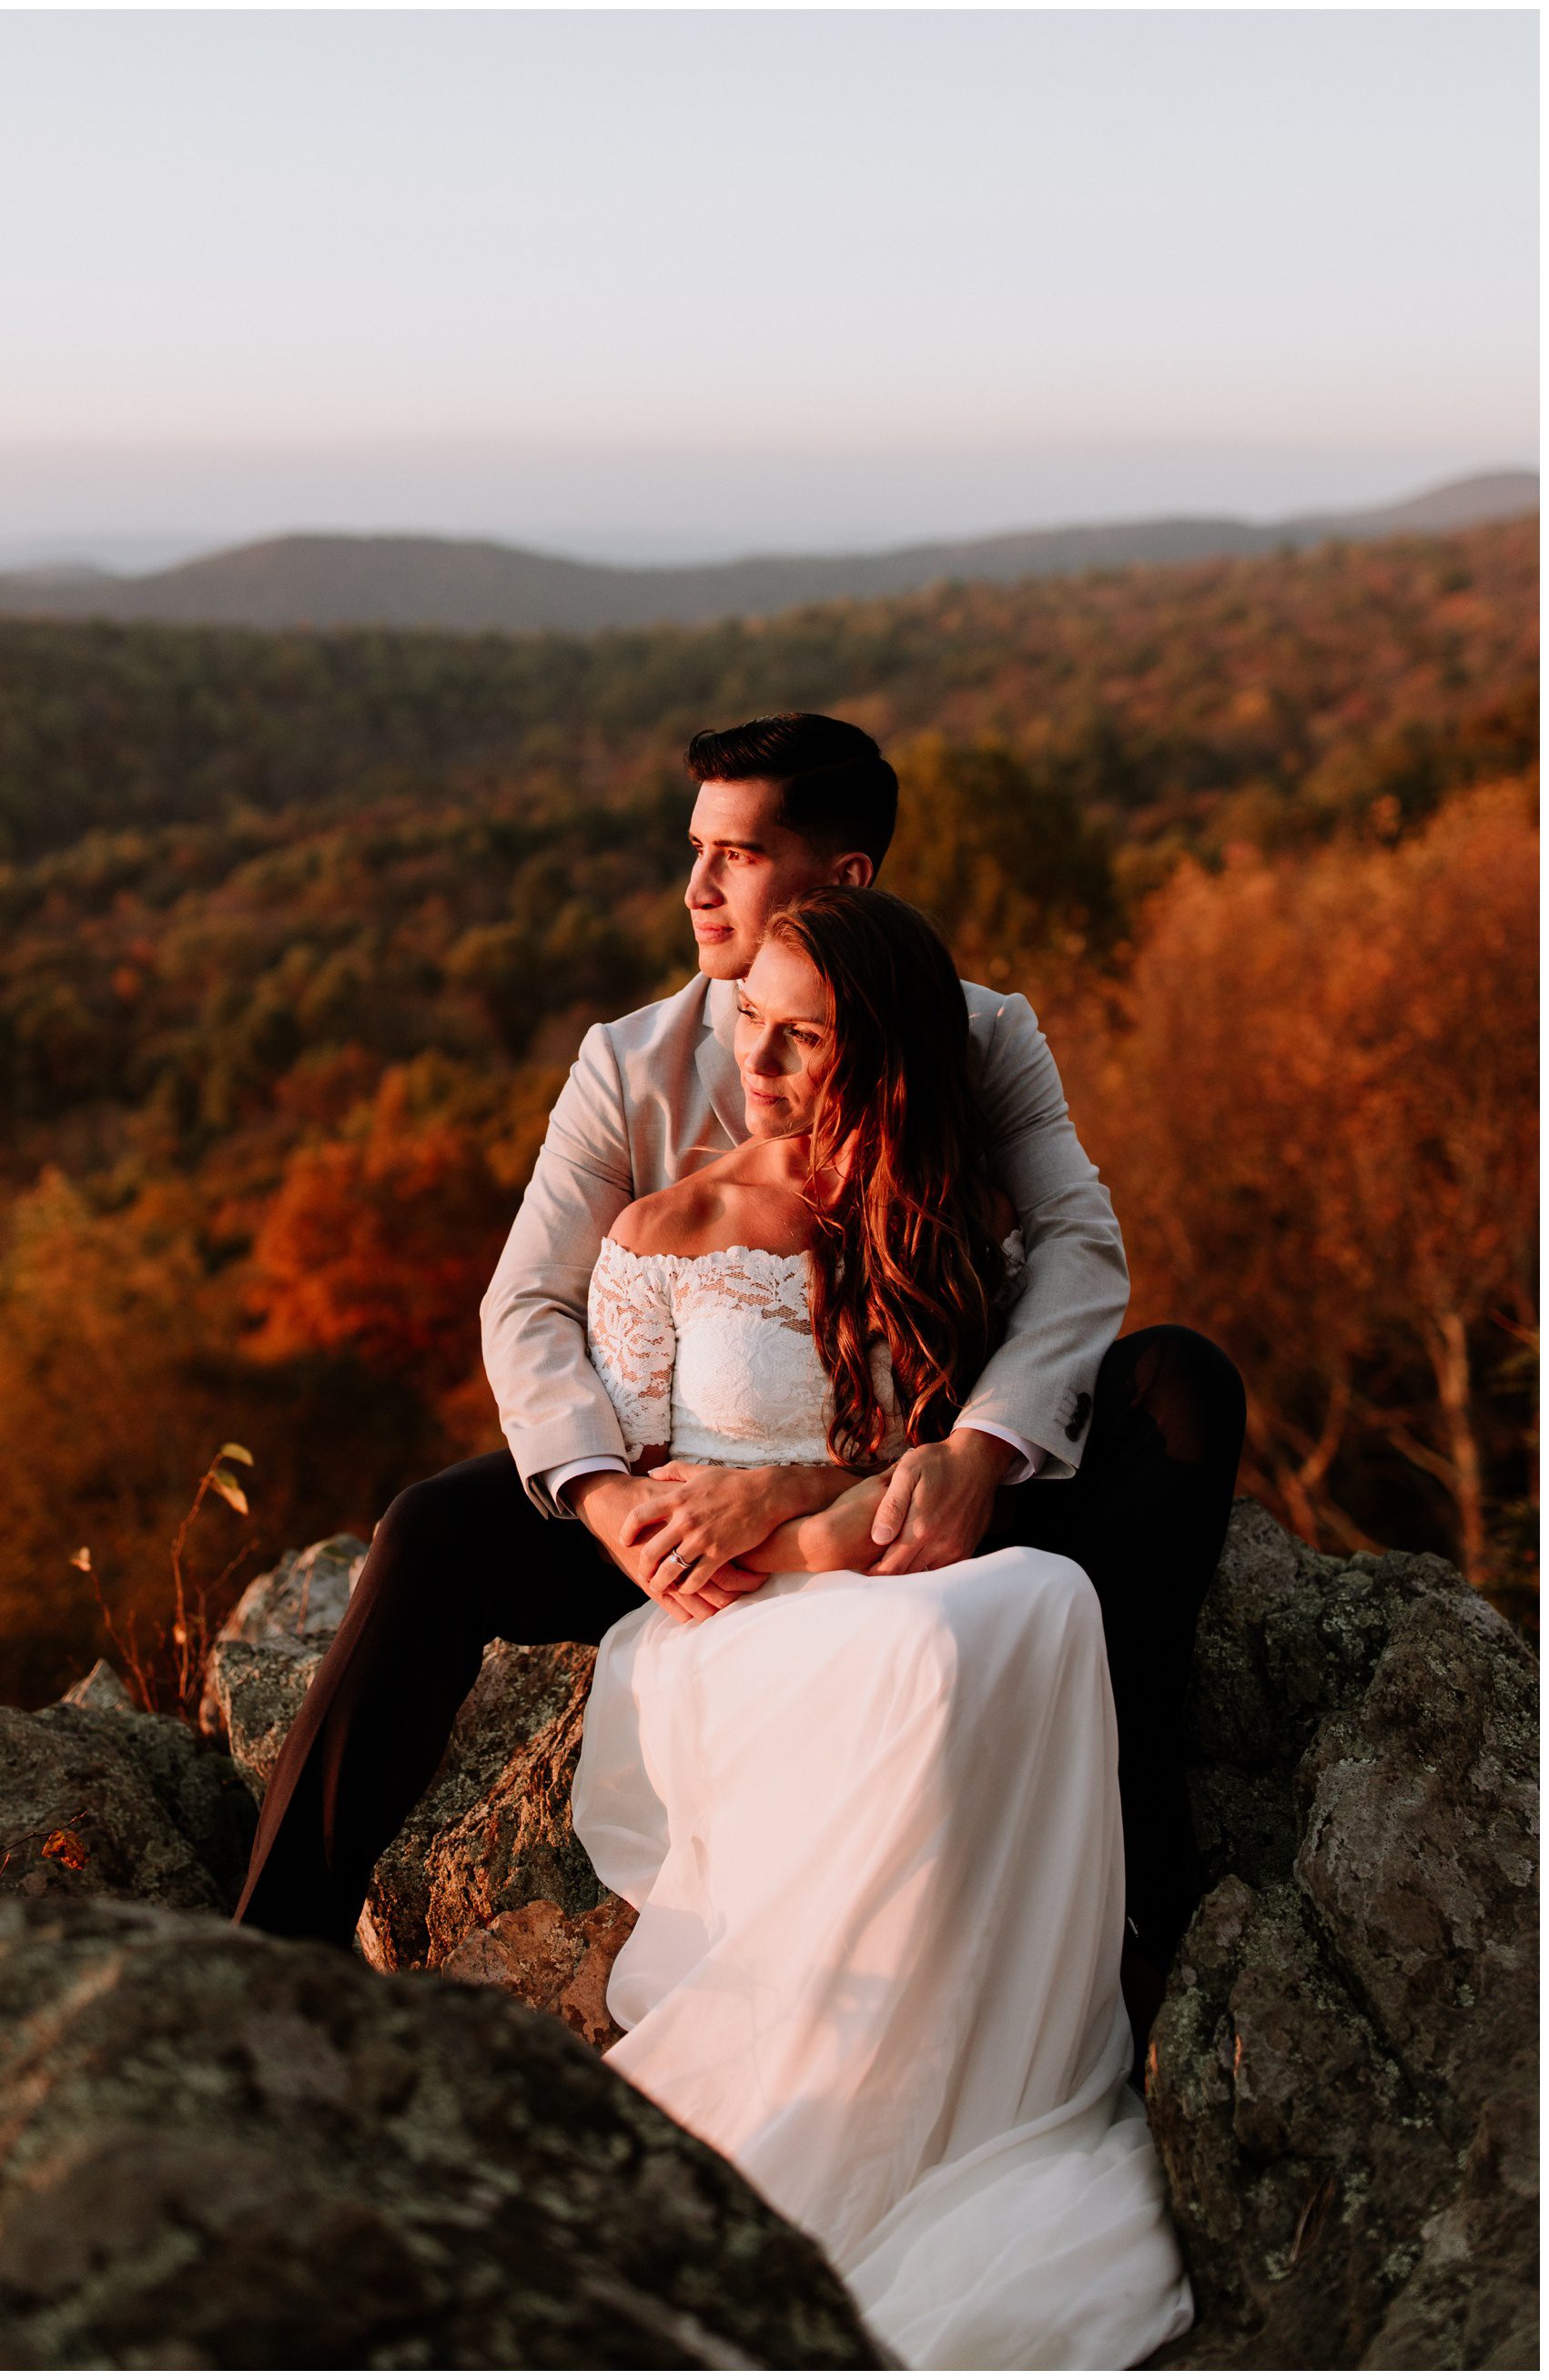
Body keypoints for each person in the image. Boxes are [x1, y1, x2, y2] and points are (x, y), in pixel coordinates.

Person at [231, 714, 1243, 2051]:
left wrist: (981, 1451)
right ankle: (259, 1970)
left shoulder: (975, 1031)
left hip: (928, 1479)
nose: (697, 889)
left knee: (1180, 1384)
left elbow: (1076, 1243)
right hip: (676, 1501)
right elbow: (527, 1301)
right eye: (693, 850)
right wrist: (603, 1499)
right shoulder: (625, 1062)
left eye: (738, 855)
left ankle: (1131, 1849)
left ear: (842, 883)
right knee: (433, 1528)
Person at [568, 884, 1192, 2368]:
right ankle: (841, 2098)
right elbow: (654, 1527)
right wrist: (801, 1529)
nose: (762, 1067)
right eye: (751, 1031)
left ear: (889, 1061)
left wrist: (834, 1485)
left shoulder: (937, 1220)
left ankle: (1007, 2073)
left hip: (907, 1572)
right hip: (732, 1626)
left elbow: (950, 1428)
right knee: (933, 1644)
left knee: (1041, 1596)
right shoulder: (662, 1234)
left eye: (805, 1041)